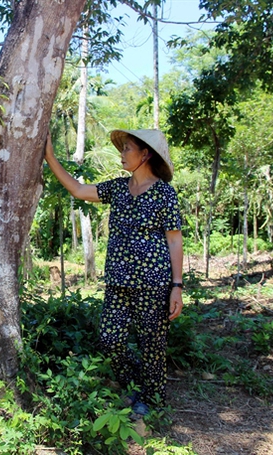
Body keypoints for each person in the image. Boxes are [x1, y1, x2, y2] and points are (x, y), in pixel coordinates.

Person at [44, 128, 183, 416]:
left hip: (154, 282)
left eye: (127, 148)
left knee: (152, 343)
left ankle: (152, 399)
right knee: (110, 338)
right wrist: (49, 155)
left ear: (145, 154)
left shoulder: (164, 193)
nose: (122, 154)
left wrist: (177, 286)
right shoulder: (118, 188)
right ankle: (135, 384)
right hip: (119, 281)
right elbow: (78, 190)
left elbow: (174, 238)